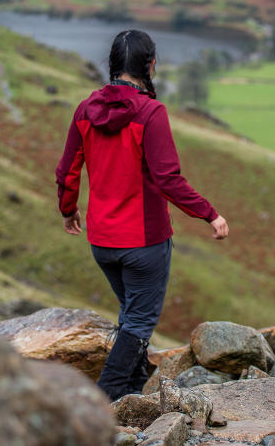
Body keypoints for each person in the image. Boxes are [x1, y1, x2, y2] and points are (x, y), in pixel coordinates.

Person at [55, 29, 229, 401]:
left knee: (131, 314)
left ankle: (133, 395)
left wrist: (68, 210)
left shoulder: (85, 110)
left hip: (102, 242)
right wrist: (209, 214)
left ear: (112, 66)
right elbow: (168, 178)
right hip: (144, 243)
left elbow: (67, 169)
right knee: (138, 321)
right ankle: (103, 399)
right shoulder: (151, 113)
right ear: (151, 66)